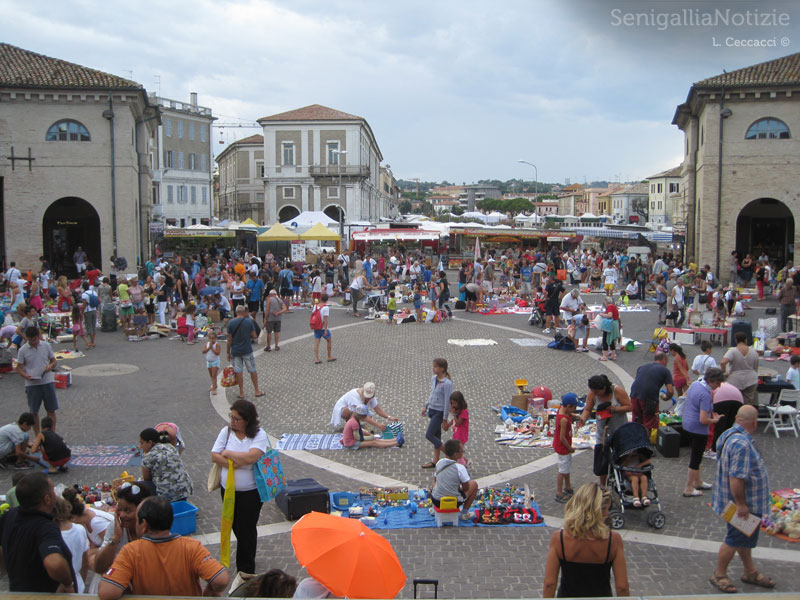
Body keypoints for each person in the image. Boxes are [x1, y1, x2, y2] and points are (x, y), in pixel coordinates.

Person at [98, 496, 229, 599]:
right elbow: (221, 580)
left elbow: (106, 592)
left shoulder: (131, 551)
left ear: (144, 524)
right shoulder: (192, 547)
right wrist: (208, 594)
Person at [710, 405, 774, 593]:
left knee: (742, 538)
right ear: (754, 423)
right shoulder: (742, 444)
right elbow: (736, 478)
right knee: (734, 539)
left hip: (728, 499)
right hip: (742, 503)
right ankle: (719, 574)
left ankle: (750, 571)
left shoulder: (728, 434)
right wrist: (741, 504)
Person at [210, 399, 268, 576]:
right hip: (228, 490)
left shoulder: (259, 435)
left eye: (236, 419)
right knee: (235, 525)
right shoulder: (226, 432)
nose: (232, 421)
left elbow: (252, 458)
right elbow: (214, 455)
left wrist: (227, 454)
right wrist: (235, 463)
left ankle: (246, 568)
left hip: (251, 493)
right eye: (231, 417)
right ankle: (244, 561)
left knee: (247, 529)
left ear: (247, 420)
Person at [542, 482, 629, 598]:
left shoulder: (559, 539)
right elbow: (622, 587)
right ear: (601, 512)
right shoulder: (614, 540)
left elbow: (550, 584)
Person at [0, 472, 76, 592]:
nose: (55, 494)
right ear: (47, 499)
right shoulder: (46, 527)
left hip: (17, 593)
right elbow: (54, 563)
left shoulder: (8, 516)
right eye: (53, 490)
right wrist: (68, 583)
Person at [92, 482, 152, 580]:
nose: (122, 515)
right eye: (119, 510)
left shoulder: (154, 529)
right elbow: (99, 567)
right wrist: (115, 539)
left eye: (127, 511)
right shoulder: (116, 526)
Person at [579, 375, 631, 486]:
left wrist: (615, 409)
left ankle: (622, 483)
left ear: (604, 388)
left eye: (597, 392)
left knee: (621, 459)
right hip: (602, 434)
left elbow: (629, 407)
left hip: (619, 431)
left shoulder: (617, 391)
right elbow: (588, 409)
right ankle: (603, 486)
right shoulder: (593, 393)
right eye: (593, 391)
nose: (595, 394)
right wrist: (583, 418)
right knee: (602, 463)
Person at [682, 368, 724, 497]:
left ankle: (698, 481)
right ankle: (689, 488)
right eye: (718, 383)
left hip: (687, 424)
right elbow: (703, 420)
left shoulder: (695, 384)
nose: (719, 386)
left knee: (697, 456)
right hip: (698, 429)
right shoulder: (705, 395)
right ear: (711, 381)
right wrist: (715, 420)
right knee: (695, 459)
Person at [15, 326, 59, 436]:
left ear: (38, 337)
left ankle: (51, 434)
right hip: (32, 384)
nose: (33, 342)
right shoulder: (22, 350)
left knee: (51, 409)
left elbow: (54, 361)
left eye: (35, 339)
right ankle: (38, 435)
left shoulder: (45, 345)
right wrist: (25, 375)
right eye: (30, 340)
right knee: (34, 411)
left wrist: (50, 366)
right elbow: (19, 367)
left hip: (47, 381)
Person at [139, 428, 193, 502]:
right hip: (184, 489)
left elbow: (147, 479)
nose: (141, 446)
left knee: (142, 486)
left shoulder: (148, 457)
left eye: (142, 443)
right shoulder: (170, 446)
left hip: (166, 495)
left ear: (150, 442)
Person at [431, 439, 477, 521]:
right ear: (456, 454)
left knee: (435, 483)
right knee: (474, 484)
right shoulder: (460, 468)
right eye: (462, 451)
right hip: (453, 502)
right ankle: (464, 513)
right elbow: (466, 487)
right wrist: (458, 488)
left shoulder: (439, 463)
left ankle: (434, 509)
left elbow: (435, 480)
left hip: (436, 500)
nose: (463, 452)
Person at [629, 352, 674, 438]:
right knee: (648, 423)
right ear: (664, 360)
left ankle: (634, 443)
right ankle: (644, 446)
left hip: (634, 394)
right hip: (649, 398)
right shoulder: (665, 370)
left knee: (637, 420)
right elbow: (670, 391)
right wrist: (666, 397)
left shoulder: (642, 367)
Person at [227, 305, 265, 399]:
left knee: (238, 371)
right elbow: (255, 336)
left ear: (236, 312)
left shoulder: (231, 323)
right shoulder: (249, 321)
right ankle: (257, 390)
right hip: (247, 349)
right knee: (252, 370)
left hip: (235, 351)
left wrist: (228, 352)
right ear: (244, 312)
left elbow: (229, 340)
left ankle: (241, 392)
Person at [421, 358, 453, 469]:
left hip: (439, 412)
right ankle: (435, 461)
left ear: (442, 368)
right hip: (432, 409)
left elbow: (447, 402)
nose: (433, 368)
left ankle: (451, 455)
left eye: (435, 366)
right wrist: (426, 406)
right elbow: (432, 394)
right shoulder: (434, 378)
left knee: (429, 435)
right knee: (436, 436)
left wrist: (445, 418)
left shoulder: (447, 384)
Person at [53, 497, 90, 593]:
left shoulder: (52, 535)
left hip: (58, 587)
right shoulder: (80, 529)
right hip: (78, 582)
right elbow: (85, 561)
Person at [330, 382, 398, 431]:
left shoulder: (372, 397)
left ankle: (354, 424)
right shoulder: (354, 395)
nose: (368, 399)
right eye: (366, 397)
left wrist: (389, 417)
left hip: (353, 410)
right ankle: (351, 426)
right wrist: (378, 425)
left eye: (369, 397)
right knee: (358, 413)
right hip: (342, 409)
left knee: (368, 414)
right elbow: (361, 415)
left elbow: (378, 410)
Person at [720, 331, 759, 405]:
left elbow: (722, 362)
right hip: (751, 379)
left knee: (735, 401)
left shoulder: (732, 351)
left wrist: (724, 373)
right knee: (748, 401)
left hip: (735, 379)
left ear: (736, 340)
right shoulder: (754, 352)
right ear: (745, 340)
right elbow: (756, 368)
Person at [709, 376, 744, 456]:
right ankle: (727, 447)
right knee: (729, 425)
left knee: (719, 425)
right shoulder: (728, 384)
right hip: (738, 400)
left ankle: (714, 449)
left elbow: (709, 402)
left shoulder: (713, 386)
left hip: (721, 400)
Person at [553, 393, 578, 503]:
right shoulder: (563, 420)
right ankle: (559, 492)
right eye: (574, 407)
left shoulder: (562, 410)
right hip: (564, 448)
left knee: (566, 468)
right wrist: (570, 448)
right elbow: (562, 437)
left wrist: (577, 416)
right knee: (562, 470)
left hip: (564, 447)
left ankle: (568, 487)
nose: (575, 409)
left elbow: (570, 414)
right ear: (568, 406)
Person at [442, 390, 470, 466]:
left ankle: (462, 466)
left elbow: (458, 422)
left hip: (461, 435)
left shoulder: (464, 412)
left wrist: (453, 413)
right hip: (456, 433)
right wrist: (448, 424)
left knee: (458, 451)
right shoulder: (457, 410)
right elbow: (454, 421)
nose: (453, 405)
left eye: (454, 403)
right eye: (452, 403)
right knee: (457, 450)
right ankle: (466, 462)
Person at [312, 293, 334, 364]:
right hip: (322, 327)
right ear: (327, 300)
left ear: (320, 298)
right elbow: (325, 320)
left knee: (316, 343)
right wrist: (325, 329)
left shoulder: (315, 306)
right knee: (329, 340)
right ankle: (329, 356)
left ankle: (317, 358)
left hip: (316, 327)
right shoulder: (326, 308)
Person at [597, 296, 620, 362]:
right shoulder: (613, 306)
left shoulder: (610, 307)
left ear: (606, 302)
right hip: (615, 323)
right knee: (611, 340)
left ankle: (604, 356)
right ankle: (613, 355)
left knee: (605, 340)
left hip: (610, 325)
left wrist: (602, 315)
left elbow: (609, 315)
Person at [203, 329, 221, 395]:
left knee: (214, 375)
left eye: (213, 339)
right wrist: (208, 348)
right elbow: (203, 351)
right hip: (209, 361)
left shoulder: (217, 344)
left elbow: (217, 353)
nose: (212, 340)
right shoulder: (206, 344)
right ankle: (215, 385)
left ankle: (213, 388)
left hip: (215, 362)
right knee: (211, 375)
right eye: (210, 339)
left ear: (216, 338)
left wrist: (212, 348)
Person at [80, 282, 98, 348]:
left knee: (89, 326)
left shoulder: (84, 294)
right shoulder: (94, 292)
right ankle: (93, 341)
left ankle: (92, 341)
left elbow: (84, 304)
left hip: (87, 311)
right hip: (94, 309)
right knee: (93, 325)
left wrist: (81, 312)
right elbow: (98, 300)